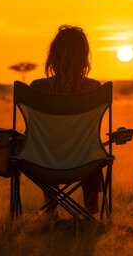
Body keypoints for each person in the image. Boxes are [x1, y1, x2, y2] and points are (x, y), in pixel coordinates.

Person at [30, 25, 102, 215]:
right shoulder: (94, 88)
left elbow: (33, 133)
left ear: (53, 55)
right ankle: (91, 212)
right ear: (85, 56)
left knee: (47, 146)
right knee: (93, 149)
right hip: (84, 162)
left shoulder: (37, 88)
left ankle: (50, 211)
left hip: (44, 161)